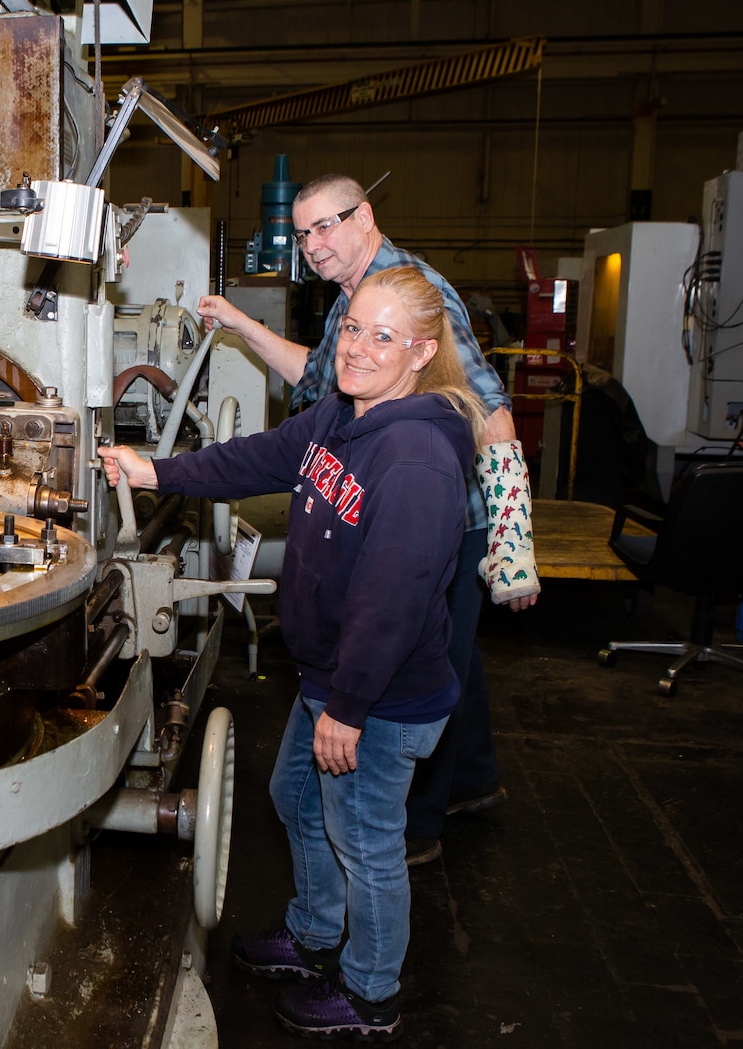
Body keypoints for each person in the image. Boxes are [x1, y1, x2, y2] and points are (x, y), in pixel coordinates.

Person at [99, 266, 485, 1040]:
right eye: (351, 329)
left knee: (366, 842)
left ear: (420, 352)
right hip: (329, 681)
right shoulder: (341, 416)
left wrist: (348, 707)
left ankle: (371, 996)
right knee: (296, 802)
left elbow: (396, 601)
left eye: (383, 337)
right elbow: (259, 458)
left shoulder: (415, 454)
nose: (358, 348)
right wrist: (156, 471)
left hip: (376, 697)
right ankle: (314, 937)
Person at [197, 174, 541, 866]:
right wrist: (243, 326)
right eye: (303, 233)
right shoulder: (348, 303)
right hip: (386, 500)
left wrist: (513, 539)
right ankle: (473, 781)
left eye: (328, 225)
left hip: (434, 512)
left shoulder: (413, 293)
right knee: (450, 652)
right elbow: (320, 381)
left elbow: (491, 408)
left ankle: (412, 832)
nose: (314, 245)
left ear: (367, 217)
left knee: (415, 656)